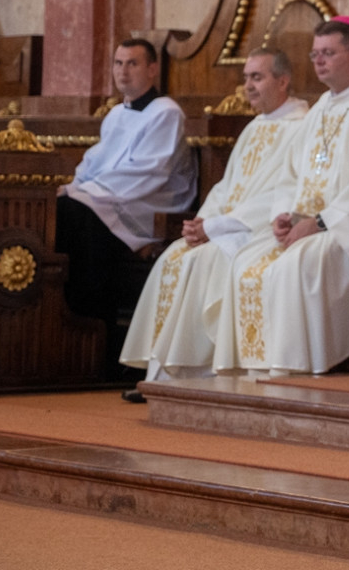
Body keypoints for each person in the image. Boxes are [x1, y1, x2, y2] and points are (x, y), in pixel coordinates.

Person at [216, 17, 349, 376]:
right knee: (245, 261)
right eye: (315, 54)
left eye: (328, 53)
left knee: (292, 266)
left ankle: (293, 370)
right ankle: (256, 373)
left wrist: (320, 223)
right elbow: (290, 173)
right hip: (309, 225)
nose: (319, 61)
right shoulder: (320, 109)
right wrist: (284, 215)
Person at [118, 48, 309, 392]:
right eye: (246, 77)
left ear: (283, 81)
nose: (247, 86)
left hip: (258, 231)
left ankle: (195, 375)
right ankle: (160, 377)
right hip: (226, 227)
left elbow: (283, 194)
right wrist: (202, 221)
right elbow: (226, 186)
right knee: (174, 257)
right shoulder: (255, 127)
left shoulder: (301, 127)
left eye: (257, 77)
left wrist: (217, 226)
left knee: (202, 261)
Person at [56, 38, 197, 359]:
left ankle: (97, 329)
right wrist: (74, 185)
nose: (123, 71)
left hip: (152, 202)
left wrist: (85, 192)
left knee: (81, 214)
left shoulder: (166, 112)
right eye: (118, 63)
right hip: (113, 197)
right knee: (64, 208)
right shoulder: (116, 113)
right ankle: (71, 320)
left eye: (132, 63)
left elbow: (150, 170)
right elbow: (95, 160)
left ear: (152, 69)